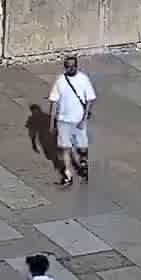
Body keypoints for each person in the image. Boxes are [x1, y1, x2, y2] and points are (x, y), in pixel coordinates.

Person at [47, 56, 95, 187]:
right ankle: (68, 174)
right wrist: (52, 122)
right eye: (68, 66)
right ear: (65, 67)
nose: (70, 68)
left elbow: (90, 99)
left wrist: (84, 119)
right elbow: (54, 102)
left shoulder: (83, 79)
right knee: (65, 148)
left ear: (77, 66)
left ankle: (83, 162)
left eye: (73, 66)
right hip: (63, 121)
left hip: (79, 120)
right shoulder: (60, 81)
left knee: (82, 147)